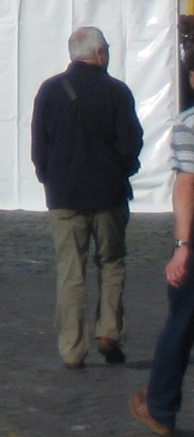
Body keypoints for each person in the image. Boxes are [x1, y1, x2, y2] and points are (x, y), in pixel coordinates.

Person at [27, 26, 140, 370]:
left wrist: (49, 178)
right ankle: (109, 331)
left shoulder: (49, 90)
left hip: (64, 196)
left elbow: (39, 146)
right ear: (100, 54)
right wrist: (123, 170)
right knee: (111, 263)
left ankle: (72, 349)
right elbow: (131, 143)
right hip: (108, 193)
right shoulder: (117, 92)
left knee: (70, 271)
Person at [133, 99, 194, 435]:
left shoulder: (190, 123)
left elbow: (188, 182)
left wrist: (182, 247)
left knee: (181, 322)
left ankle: (160, 408)